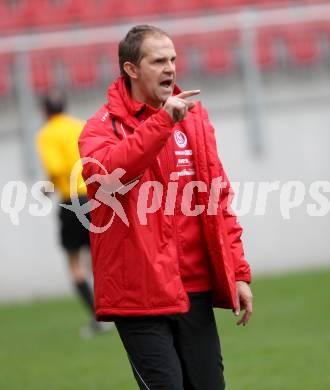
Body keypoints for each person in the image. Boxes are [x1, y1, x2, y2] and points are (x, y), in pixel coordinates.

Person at [79, 25, 253, 389]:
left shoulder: (195, 118)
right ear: (131, 69)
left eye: (172, 59)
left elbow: (217, 200)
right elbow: (109, 178)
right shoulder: (100, 128)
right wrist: (162, 123)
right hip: (140, 296)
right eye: (158, 61)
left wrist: (237, 271)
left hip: (196, 291)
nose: (170, 68)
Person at [36, 91, 110, 336]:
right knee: (98, 260)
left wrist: (46, 188)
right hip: (95, 197)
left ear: (44, 111)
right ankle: (115, 310)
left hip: (72, 201)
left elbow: (56, 167)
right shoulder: (79, 125)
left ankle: (99, 319)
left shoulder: (47, 134)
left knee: (75, 263)